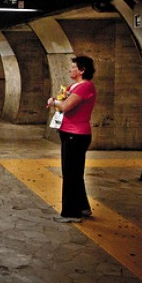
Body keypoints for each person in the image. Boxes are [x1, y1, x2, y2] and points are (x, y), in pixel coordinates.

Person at [46, 55, 97, 223]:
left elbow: (66, 105)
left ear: (82, 70)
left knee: (71, 174)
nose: (70, 69)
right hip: (69, 132)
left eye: (73, 67)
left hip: (76, 134)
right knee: (75, 173)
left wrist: (54, 102)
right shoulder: (74, 85)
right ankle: (83, 207)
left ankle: (71, 213)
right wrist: (57, 101)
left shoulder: (85, 86)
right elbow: (62, 99)